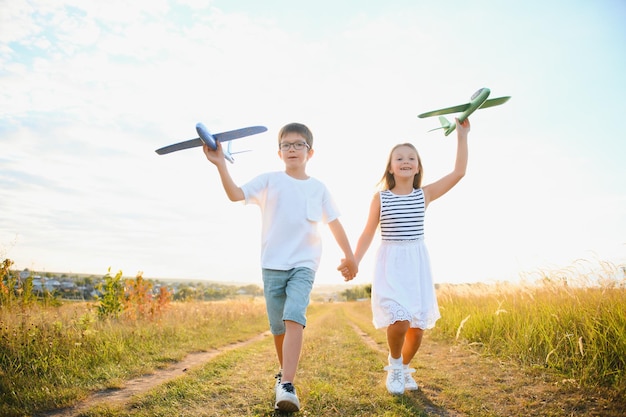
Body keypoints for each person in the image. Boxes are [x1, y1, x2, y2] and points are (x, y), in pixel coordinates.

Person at [203, 122, 357, 412]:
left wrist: (350, 256)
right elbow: (235, 194)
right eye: (287, 145)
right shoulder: (269, 181)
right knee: (278, 328)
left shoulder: (319, 188)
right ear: (279, 152)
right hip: (272, 265)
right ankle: (283, 375)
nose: (292, 149)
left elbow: (334, 222)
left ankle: (287, 384)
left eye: (299, 144)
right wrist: (220, 164)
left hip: (304, 264)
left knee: (293, 316)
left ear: (310, 152)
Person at [353, 117, 470, 395]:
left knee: (416, 329)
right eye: (399, 158)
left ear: (418, 167)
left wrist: (462, 137)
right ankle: (394, 366)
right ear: (391, 168)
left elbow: (458, 172)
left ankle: (404, 368)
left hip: (416, 264)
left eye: (411, 158)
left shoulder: (424, 195)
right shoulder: (380, 198)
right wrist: (354, 260)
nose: (406, 161)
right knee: (399, 320)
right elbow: (368, 232)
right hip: (391, 263)